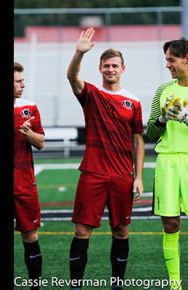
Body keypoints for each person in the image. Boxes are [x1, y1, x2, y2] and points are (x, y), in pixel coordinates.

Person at [66, 27, 145, 290]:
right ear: (99, 69)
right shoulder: (91, 94)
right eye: (106, 66)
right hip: (93, 174)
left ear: (123, 68)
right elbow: (72, 77)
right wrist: (79, 53)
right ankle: (75, 284)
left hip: (123, 176)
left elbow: (138, 141)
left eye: (115, 65)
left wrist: (139, 177)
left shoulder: (133, 101)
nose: (110, 69)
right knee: (81, 232)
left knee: (121, 231)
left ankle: (117, 284)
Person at [146, 37, 188, 290]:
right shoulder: (163, 91)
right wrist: (161, 119)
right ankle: (175, 285)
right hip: (167, 163)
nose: (168, 65)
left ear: (187, 59)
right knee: (170, 224)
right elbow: (150, 133)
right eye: (166, 60)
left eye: (171, 59)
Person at [14, 62, 46, 290]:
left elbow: (41, 143)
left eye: (23, 80)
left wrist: (28, 133)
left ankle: (35, 286)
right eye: (18, 81)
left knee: (31, 237)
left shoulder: (30, 107)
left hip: (24, 183)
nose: (23, 84)